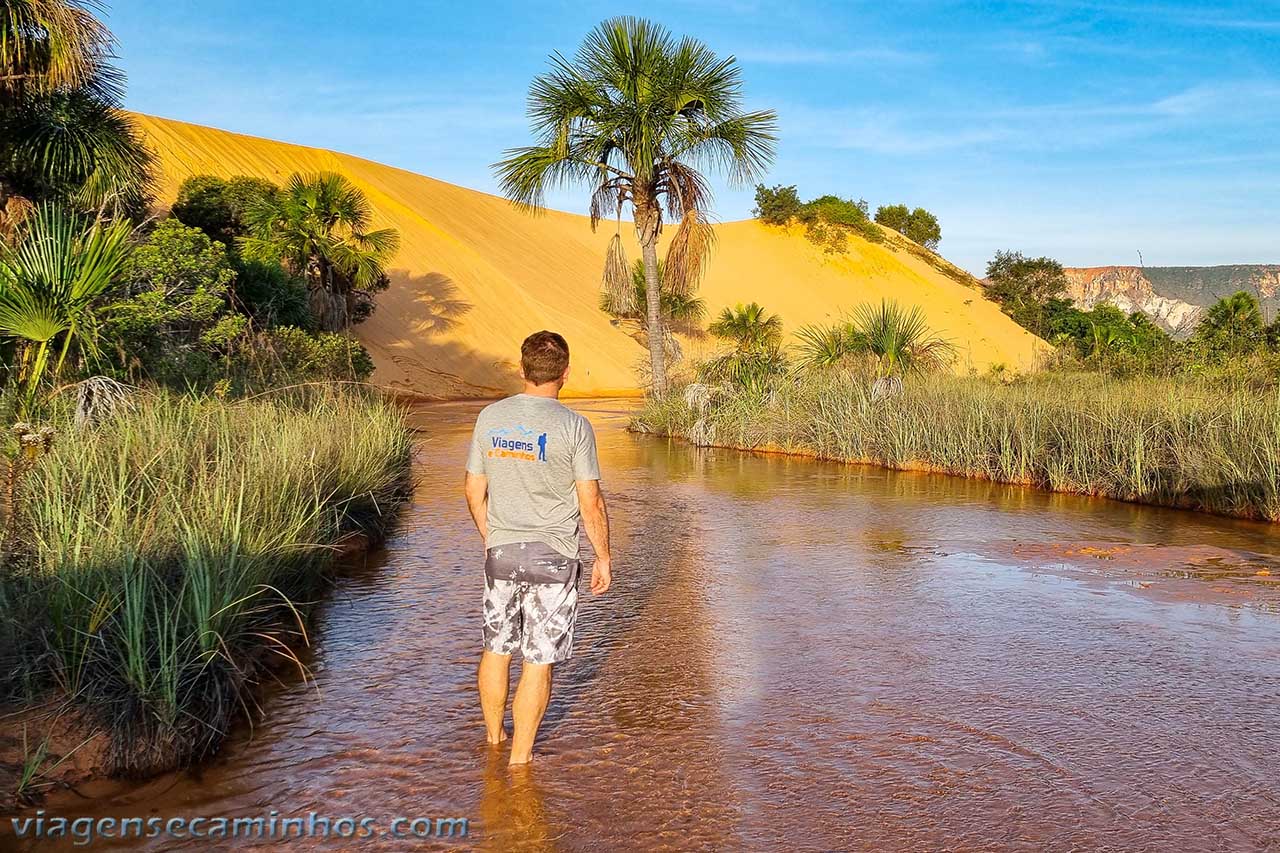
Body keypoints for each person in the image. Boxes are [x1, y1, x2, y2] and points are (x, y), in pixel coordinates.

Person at [463, 330, 613, 766]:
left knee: (496, 648)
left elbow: (474, 489)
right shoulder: (574, 427)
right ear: (565, 374)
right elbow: (591, 500)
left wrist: (491, 537)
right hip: (555, 557)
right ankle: (520, 761)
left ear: (522, 369)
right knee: (538, 660)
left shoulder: (490, 418)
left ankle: (493, 741)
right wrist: (603, 556)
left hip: (502, 551)